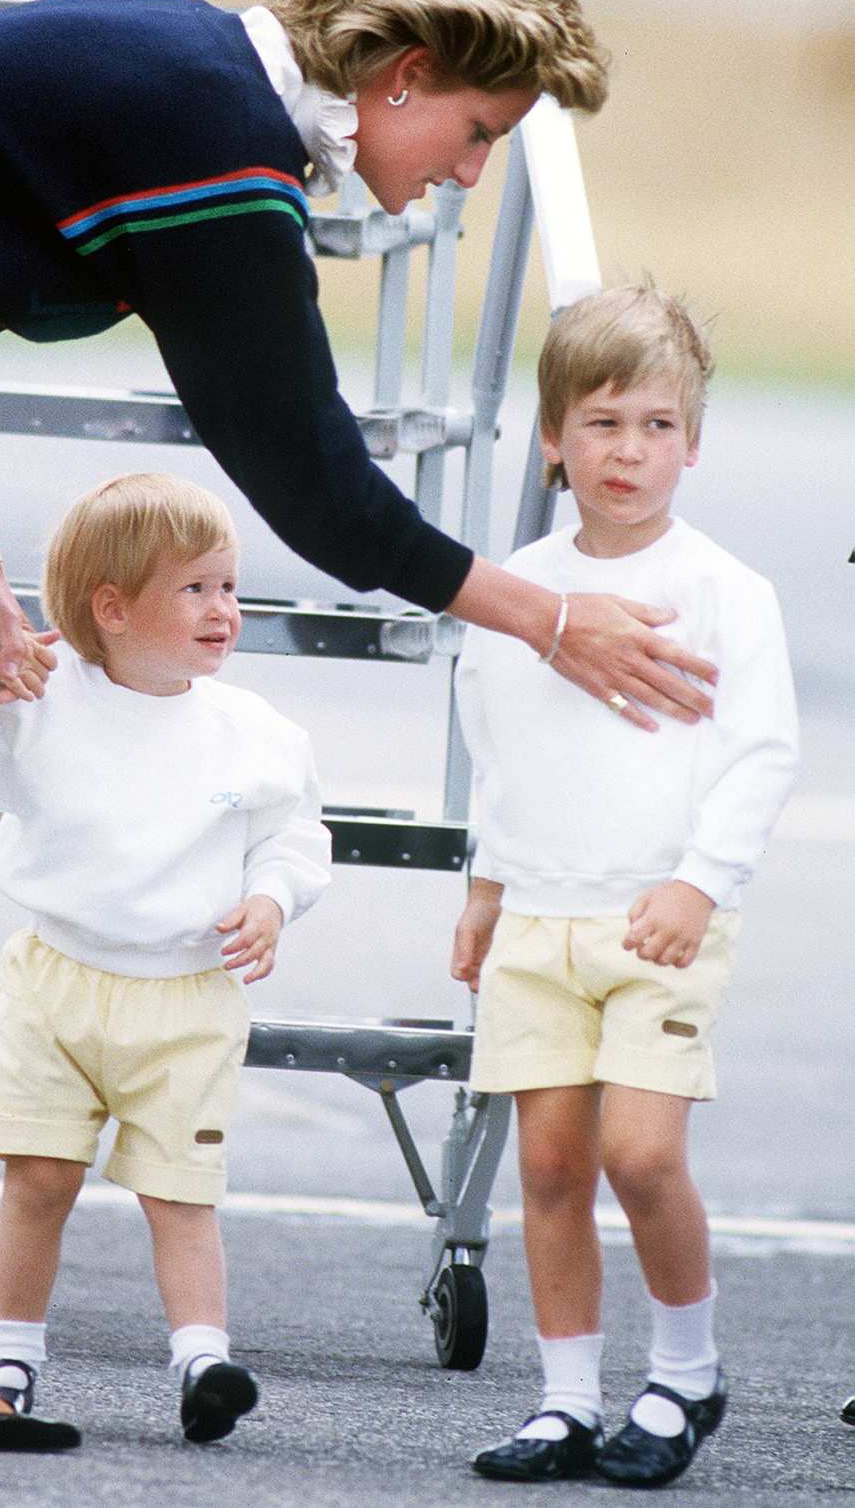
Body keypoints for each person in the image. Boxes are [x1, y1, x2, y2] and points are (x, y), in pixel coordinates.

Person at [0, 0, 719, 1445]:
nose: (469, 180)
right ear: (402, 72)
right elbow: (306, 474)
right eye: (479, 132)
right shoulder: (221, 146)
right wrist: (549, 613)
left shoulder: (191, 85)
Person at [451, 284, 799, 1489]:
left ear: (692, 442)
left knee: (641, 1157)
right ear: (552, 437)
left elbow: (759, 755)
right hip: (540, 913)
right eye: (601, 424)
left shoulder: (728, 592)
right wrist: (489, 889)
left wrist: (701, 885)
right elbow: (498, 751)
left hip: (662, 918)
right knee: (548, 1165)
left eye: (656, 425)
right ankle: (563, 1401)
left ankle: (685, 1374)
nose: (628, 451)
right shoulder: (519, 591)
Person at [0, 472, 330, 1442]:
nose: (224, 610)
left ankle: (203, 1357)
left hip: (187, 994)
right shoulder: (38, 707)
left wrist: (270, 898)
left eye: (228, 585)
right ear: (112, 610)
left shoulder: (253, 732)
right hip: (55, 982)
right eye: (195, 589)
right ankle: (11, 1352)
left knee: (180, 1191)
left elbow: (295, 837)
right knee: (38, 1178)